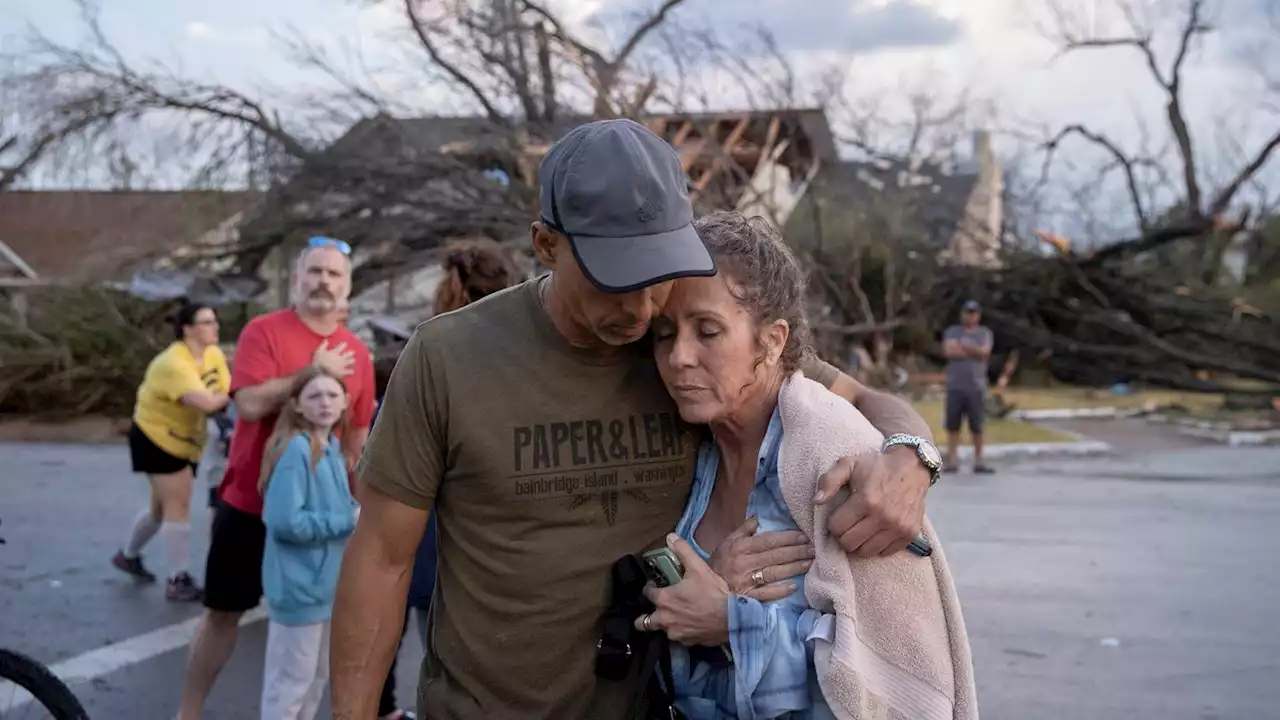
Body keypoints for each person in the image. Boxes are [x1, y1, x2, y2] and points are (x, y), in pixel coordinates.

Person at [331, 119, 939, 720]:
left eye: (656, 275)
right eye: (614, 280)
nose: (643, 307)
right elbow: (383, 557)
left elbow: (861, 399)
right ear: (546, 245)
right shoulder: (447, 358)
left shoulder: (683, 351)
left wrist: (913, 456)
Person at [636, 212, 967, 719]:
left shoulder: (833, 457)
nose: (679, 356)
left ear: (771, 341)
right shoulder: (699, 445)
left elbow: (890, 678)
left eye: (708, 331)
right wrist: (698, 593)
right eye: (664, 334)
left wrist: (731, 624)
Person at [177, 237, 376, 720]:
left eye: (334, 274)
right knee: (223, 612)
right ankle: (188, 712)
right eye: (314, 272)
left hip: (319, 521)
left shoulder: (357, 354)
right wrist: (313, 370)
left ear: (347, 288)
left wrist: (362, 511)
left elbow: (358, 438)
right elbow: (245, 404)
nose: (323, 281)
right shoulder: (264, 332)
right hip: (249, 502)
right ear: (296, 279)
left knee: (311, 635)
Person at [371, 238, 522, 719]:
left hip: (433, 556)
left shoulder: (426, 360)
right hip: (504, 561)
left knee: (446, 678)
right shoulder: (526, 366)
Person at [112, 301, 230, 602]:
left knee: (160, 508)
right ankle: (178, 579)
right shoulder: (173, 364)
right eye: (206, 322)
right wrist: (238, 393)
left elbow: (221, 391)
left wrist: (226, 397)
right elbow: (207, 402)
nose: (215, 327)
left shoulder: (213, 354)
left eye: (214, 320)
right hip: (156, 438)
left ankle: (128, 556)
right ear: (188, 329)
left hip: (186, 440)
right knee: (178, 506)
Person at [259, 367, 359, 720]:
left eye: (333, 395)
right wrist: (348, 520)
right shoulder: (295, 450)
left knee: (315, 680)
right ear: (297, 405)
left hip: (325, 588)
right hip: (299, 588)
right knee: (289, 685)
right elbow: (285, 521)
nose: (325, 403)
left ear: (346, 401)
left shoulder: (330, 446)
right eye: (314, 396)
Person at [942, 300, 994, 473]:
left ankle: (979, 461)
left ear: (978, 315)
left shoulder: (984, 333)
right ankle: (952, 460)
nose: (969, 316)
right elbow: (949, 351)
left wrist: (963, 346)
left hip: (976, 386)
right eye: (967, 312)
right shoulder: (952, 331)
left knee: (977, 426)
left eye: (973, 313)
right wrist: (973, 350)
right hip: (955, 385)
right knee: (953, 425)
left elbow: (984, 352)